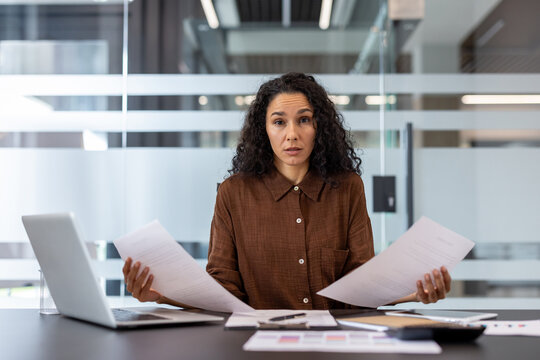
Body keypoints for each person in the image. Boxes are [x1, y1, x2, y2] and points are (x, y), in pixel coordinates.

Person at [123, 72, 451, 309]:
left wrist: (414, 293)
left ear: (319, 126)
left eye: (304, 120)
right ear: (264, 129)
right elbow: (224, 292)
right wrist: (162, 295)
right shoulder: (233, 194)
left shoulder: (348, 188)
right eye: (279, 122)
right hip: (256, 345)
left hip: (334, 344)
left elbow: (361, 286)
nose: (292, 134)